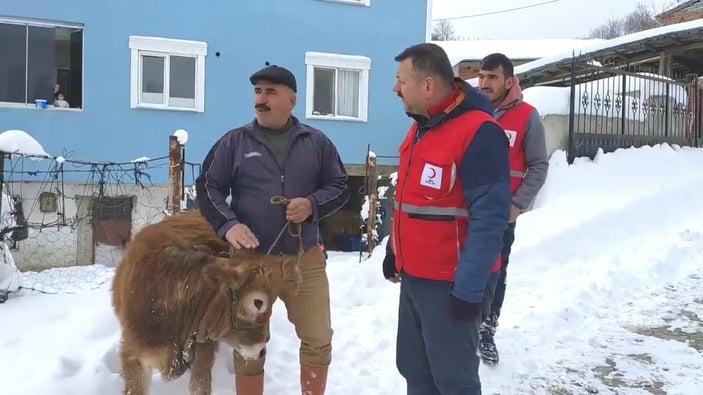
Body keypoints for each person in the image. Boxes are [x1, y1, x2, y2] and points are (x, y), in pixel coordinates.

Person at [195, 63, 350, 395]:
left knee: (318, 338)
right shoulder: (234, 142)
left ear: (291, 101)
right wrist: (228, 224)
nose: (260, 99)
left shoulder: (317, 142)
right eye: (257, 92)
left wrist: (312, 204)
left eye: (270, 92)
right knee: (249, 340)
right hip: (251, 265)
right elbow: (208, 186)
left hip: (304, 261)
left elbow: (339, 185)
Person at [383, 43, 511, 394]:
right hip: (415, 278)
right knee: (414, 368)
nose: (395, 89)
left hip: (452, 285)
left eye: (401, 80)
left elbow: (490, 220)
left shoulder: (479, 132)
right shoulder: (422, 127)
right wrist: (395, 250)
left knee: (453, 381)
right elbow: (411, 200)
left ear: (427, 86)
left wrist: (468, 289)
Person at [476, 53, 549, 366]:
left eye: (492, 77)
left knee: (496, 272)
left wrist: (518, 205)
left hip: (501, 215)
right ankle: (463, 324)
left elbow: (538, 165)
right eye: (481, 76)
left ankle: (487, 329)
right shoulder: (472, 112)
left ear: (509, 81)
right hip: (466, 210)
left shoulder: (527, 117)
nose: (484, 83)